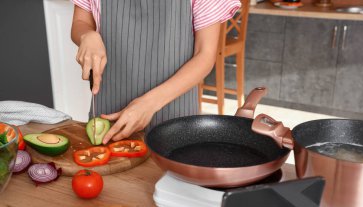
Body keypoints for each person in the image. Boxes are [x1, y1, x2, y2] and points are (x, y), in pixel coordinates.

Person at [71, 0, 241, 144]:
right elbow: (80, 22)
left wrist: (148, 104)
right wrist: (87, 35)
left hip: (175, 118)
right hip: (108, 118)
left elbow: (204, 55)